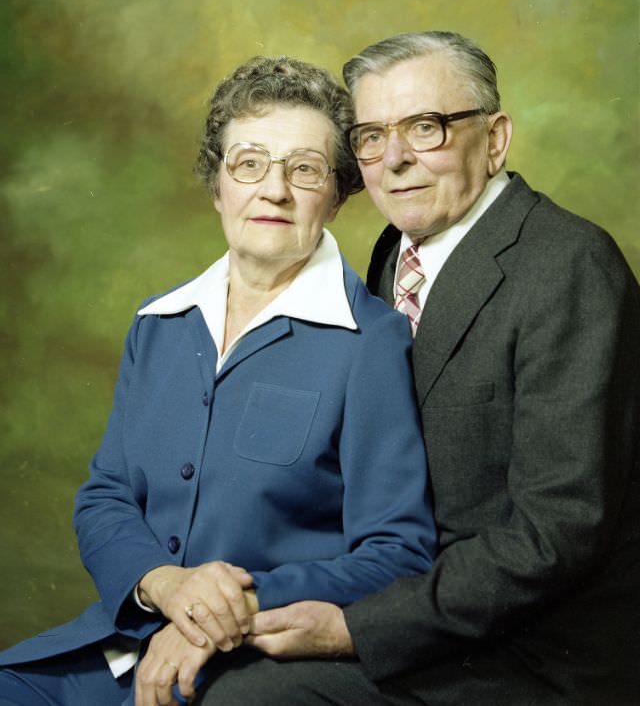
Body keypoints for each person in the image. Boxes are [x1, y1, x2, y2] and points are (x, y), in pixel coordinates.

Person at [194, 32, 640, 706]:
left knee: (242, 699)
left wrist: (355, 626)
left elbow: (556, 534)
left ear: (494, 139)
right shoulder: (393, 252)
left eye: (424, 128)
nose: (395, 160)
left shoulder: (569, 265)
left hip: (530, 653)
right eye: (371, 136)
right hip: (414, 600)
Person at [0, 56, 437, 706]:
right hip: (131, 634)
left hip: (256, 656)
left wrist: (226, 610)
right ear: (217, 186)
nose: (275, 190)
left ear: (339, 194)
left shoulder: (369, 343)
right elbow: (106, 497)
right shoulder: (159, 324)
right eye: (249, 164)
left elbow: (398, 550)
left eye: (305, 170)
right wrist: (166, 586)